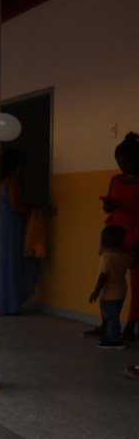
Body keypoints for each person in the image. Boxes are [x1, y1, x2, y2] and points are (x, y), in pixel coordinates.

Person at [89, 132, 139, 338]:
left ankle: (130, 327)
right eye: (119, 162)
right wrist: (108, 206)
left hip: (136, 232)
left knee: (137, 283)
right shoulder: (115, 179)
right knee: (108, 276)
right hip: (113, 232)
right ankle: (106, 323)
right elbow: (107, 209)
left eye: (127, 161)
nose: (122, 166)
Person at [0, 149, 40, 314]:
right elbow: (16, 206)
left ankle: (1, 301)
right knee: (12, 262)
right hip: (11, 224)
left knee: (2, 263)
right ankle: (10, 303)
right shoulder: (12, 181)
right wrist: (35, 210)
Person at [88, 225, 133, 349]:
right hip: (121, 292)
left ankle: (115, 340)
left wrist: (96, 291)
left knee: (112, 317)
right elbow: (133, 263)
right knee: (114, 315)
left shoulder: (106, 257)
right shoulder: (124, 255)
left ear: (103, 241)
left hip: (109, 294)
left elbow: (103, 276)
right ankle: (110, 335)